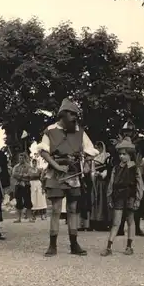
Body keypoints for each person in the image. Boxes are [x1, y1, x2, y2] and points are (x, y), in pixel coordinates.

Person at [37, 98, 99, 257]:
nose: (75, 118)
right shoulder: (50, 130)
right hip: (56, 173)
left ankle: (74, 244)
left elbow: (91, 150)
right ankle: (52, 245)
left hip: (73, 173)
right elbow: (43, 151)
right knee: (56, 209)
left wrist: (86, 164)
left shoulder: (80, 131)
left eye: (76, 115)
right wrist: (57, 166)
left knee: (72, 209)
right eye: (71, 115)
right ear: (63, 115)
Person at [101, 137, 144, 256]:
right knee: (116, 222)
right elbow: (111, 184)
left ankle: (129, 246)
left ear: (129, 154)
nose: (121, 156)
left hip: (130, 196)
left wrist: (138, 199)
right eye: (120, 154)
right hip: (118, 196)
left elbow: (140, 184)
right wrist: (109, 197)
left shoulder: (135, 168)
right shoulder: (116, 168)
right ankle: (109, 247)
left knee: (130, 221)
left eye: (124, 154)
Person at [89, 142, 111, 231]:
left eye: (99, 147)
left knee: (104, 200)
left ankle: (105, 222)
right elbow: (93, 169)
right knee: (97, 200)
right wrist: (94, 174)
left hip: (104, 182)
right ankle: (97, 222)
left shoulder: (107, 156)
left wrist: (102, 174)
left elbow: (108, 168)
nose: (98, 149)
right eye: (97, 147)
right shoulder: (94, 158)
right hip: (97, 182)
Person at [12, 153, 33, 223]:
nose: (21, 159)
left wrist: (22, 176)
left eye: (22, 158)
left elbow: (30, 175)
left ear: (25, 158)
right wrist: (23, 176)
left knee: (28, 201)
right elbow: (14, 175)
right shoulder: (16, 166)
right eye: (20, 158)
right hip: (18, 185)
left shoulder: (28, 166)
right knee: (18, 201)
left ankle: (30, 217)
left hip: (26, 185)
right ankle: (18, 218)